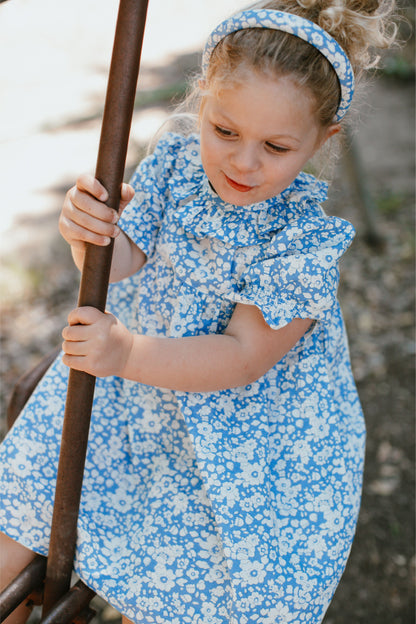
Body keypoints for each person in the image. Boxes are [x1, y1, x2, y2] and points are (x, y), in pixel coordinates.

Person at [0, 1, 397, 622]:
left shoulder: (303, 245)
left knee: (189, 590)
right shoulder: (176, 169)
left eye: (277, 146)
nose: (243, 162)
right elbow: (125, 256)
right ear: (202, 102)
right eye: (226, 131)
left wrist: (125, 352)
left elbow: (241, 358)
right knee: (19, 517)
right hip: (128, 402)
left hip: (236, 448)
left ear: (325, 140)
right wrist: (90, 236)